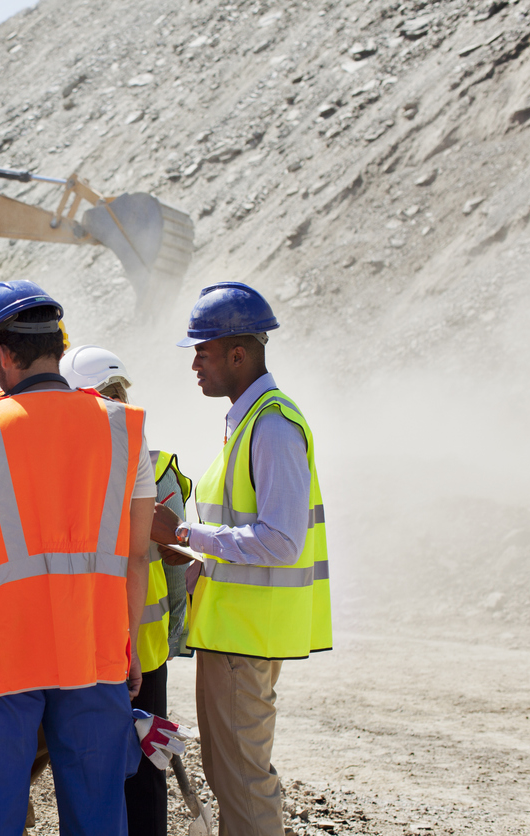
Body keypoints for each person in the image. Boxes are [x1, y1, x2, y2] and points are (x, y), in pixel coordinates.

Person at [0, 280, 158, 836]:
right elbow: (136, 558)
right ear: (58, 346)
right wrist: (128, 645)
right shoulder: (124, 428)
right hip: (93, 651)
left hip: (0, 659)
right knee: (98, 817)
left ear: (4, 355)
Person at [150, 281, 331, 836]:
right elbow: (248, 532)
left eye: (202, 352)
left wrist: (182, 530)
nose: (195, 365)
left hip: (245, 636)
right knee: (235, 774)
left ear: (238, 352)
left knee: (242, 782)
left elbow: (280, 541)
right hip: (236, 629)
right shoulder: (246, 422)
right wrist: (199, 558)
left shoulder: (272, 427)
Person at [60, 344, 193, 836]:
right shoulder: (156, 470)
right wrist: (176, 637)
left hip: (102, 644)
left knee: (92, 765)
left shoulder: (77, 471)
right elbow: (180, 575)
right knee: (144, 766)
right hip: (146, 645)